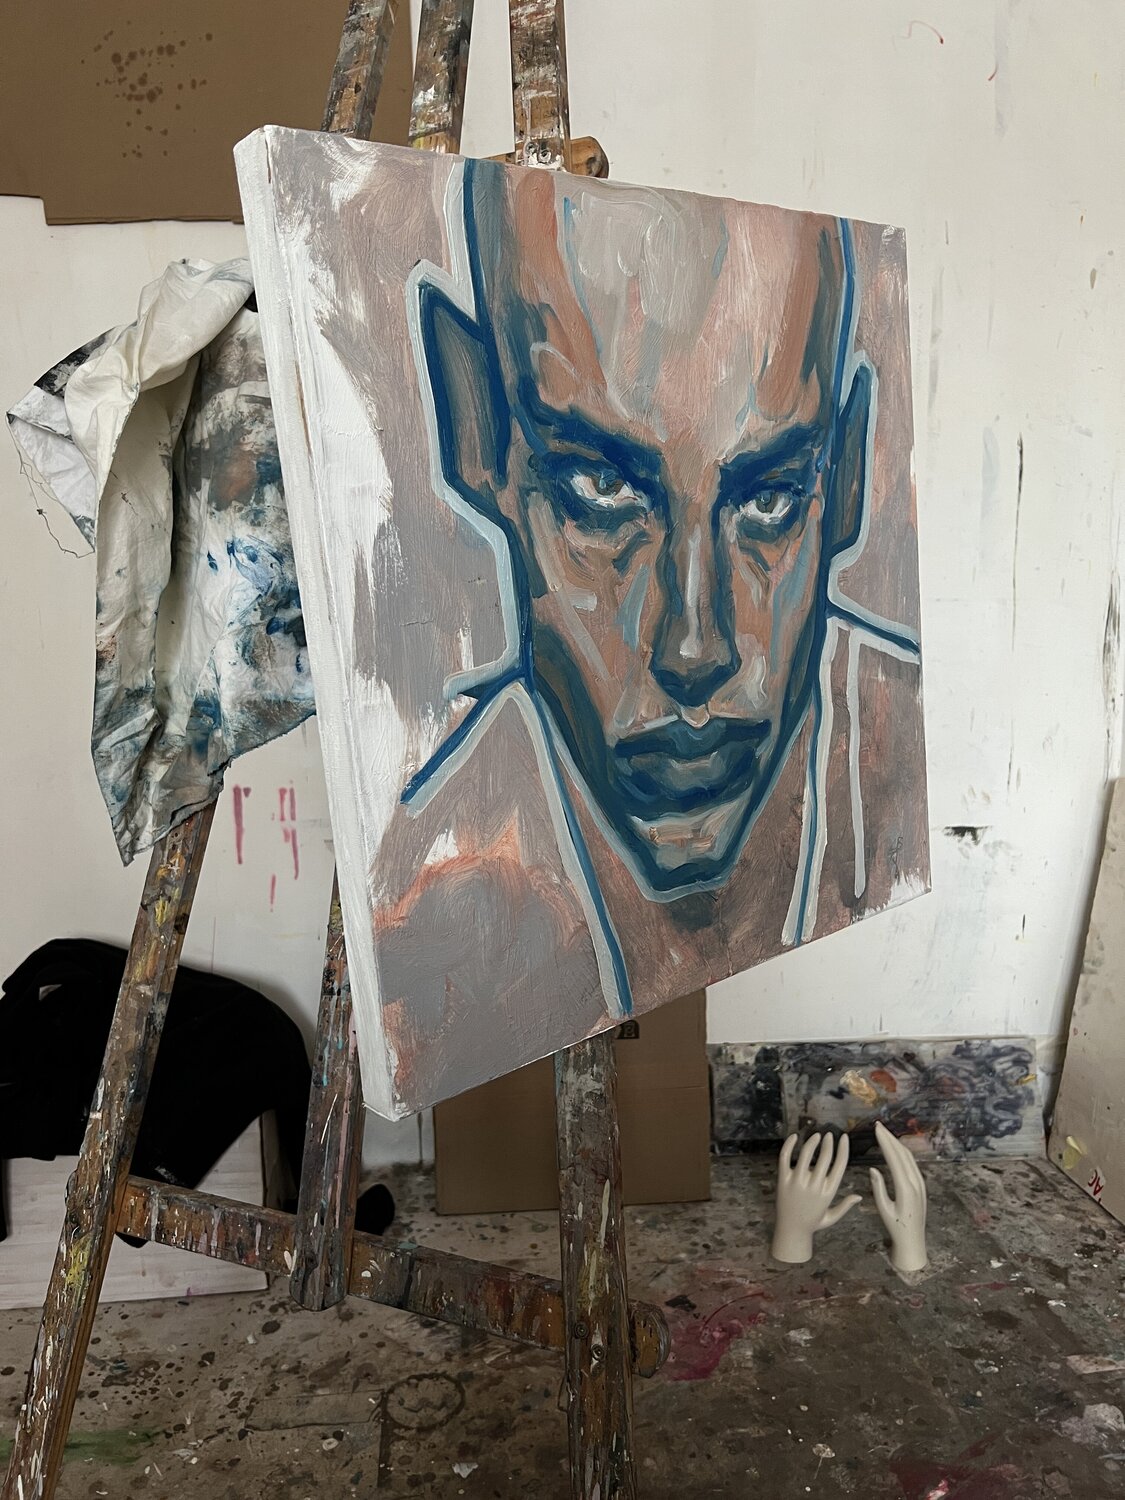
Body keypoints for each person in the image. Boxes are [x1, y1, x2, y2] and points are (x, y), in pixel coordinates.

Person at [404, 159, 920, 1019]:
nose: (693, 648)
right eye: (603, 490)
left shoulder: (898, 772)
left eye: (768, 498)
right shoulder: (424, 892)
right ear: (473, 431)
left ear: (850, 476)